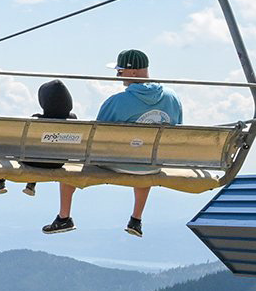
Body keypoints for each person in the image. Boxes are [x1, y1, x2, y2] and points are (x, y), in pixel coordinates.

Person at [44, 49, 181, 238]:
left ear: (133, 72)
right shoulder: (172, 98)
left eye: (119, 71)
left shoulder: (117, 102)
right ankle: (136, 219)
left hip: (120, 164)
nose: (117, 76)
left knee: (69, 163)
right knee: (147, 154)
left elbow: (96, 137)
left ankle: (64, 217)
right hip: (153, 166)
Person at [0, 78, 74, 197]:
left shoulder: (37, 121)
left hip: (33, 162)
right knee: (43, 151)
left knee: (4, 146)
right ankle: (30, 186)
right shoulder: (73, 121)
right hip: (58, 162)